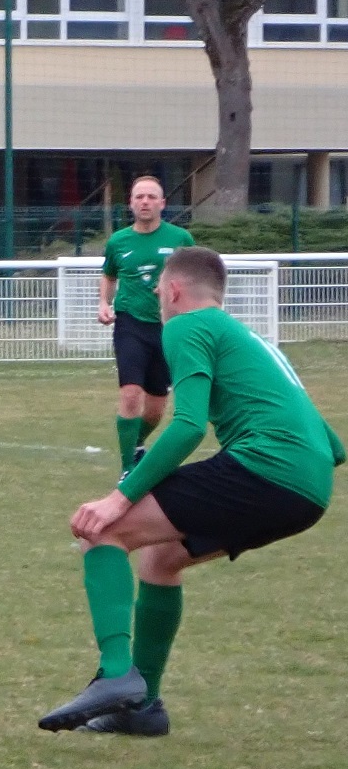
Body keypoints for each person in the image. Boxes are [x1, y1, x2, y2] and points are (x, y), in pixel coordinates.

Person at [40, 246, 343, 735]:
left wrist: (120, 498)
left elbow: (187, 425)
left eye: (159, 289)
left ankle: (116, 675)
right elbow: (333, 445)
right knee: (160, 559)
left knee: (102, 530)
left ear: (174, 290)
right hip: (309, 492)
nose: (158, 298)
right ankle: (142, 710)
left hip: (267, 470)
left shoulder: (186, 325)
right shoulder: (253, 339)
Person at [98, 175, 195, 478]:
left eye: (152, 197)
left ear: (162, 203)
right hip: (130, 322)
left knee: (156, 408)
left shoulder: (181, 239)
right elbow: (109, 275)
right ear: (130, 203)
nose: (145, 202)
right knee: (130, 394)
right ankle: (128, 469)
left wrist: (173, 290)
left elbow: (194, 277)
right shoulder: (118, 241)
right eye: (139, 196)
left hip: (167, 327)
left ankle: (136, 442)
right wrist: (103, 303)